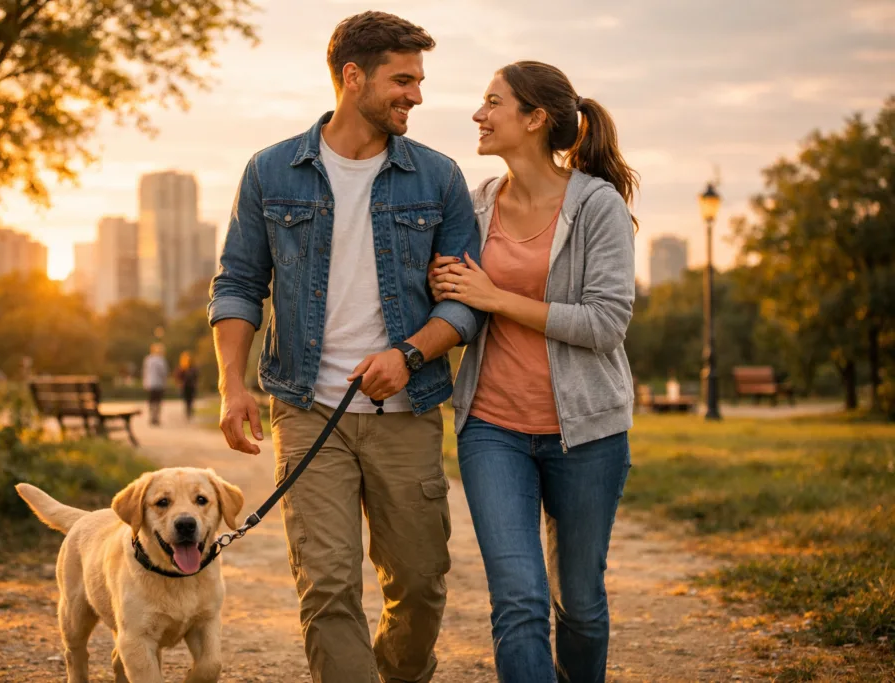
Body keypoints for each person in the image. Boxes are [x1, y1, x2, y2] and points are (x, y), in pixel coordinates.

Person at [208, 12, 485, 683]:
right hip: (307, 410)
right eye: (403, 80)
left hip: (407, 410)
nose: (417, 95)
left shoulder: (439, 178)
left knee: (419, 584)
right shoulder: (270, 171)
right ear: (353, 77)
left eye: (419, 81)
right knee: (328, 585)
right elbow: (239, 283)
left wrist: (409, 354)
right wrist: (232, 385)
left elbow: (467, 300)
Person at [428, 61, 638, 683]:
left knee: (581, 605)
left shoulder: (596, 205)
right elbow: (456, 295)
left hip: (587, 433)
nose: (479, 114)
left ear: (536, 118)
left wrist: (495, 297)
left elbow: (605, 323)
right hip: (492, 428)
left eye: (493, 102)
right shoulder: (476, 204)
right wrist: (444, 286)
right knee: (518, 601)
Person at [142, 342, 169, 426]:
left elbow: (145, 372)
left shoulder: (148, 359)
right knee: (157, 401)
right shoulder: (161, 360)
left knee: (151, 401)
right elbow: (164, 373)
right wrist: (165, 383)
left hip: (150, 384)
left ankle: (152, 417)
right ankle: (156, 417)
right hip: (159, 384)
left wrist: (145, 382)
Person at [175, 350, 200, 421]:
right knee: (187, 400)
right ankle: (188, 411)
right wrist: (180, 383)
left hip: (191, 386)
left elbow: (196, 376)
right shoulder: (181, 368)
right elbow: (177, 377)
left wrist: (195, 383)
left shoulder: (193, 368)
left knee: (190, 400)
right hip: (185, 387)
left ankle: (189, 411)